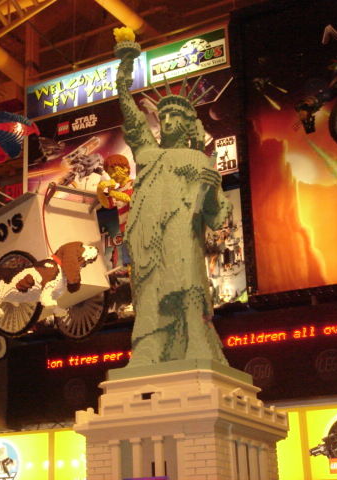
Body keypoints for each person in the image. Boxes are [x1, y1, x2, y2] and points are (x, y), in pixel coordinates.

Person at [114, 27, 231, 367]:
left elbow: (216, 217)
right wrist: (124, 75)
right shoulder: (148, 154)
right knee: (147, 287)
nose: (166, 121)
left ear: (190, 123)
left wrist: (210, 191)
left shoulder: (198, 160)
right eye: (162, 115)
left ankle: (195, 339)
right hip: (146, 234)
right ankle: (148, 347)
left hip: (181, 229)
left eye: (175, 115)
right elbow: (132, 117)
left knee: (185, 278)